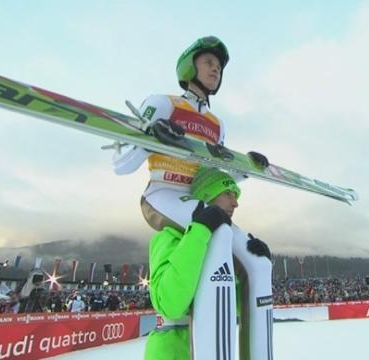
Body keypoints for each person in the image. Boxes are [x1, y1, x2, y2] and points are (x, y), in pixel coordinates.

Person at [114, 36, 273, 360]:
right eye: (208, 62)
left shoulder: (217, 125)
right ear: (190, 67)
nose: (215, 69)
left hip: (196, 197)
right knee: (217, 232)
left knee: (255, 261)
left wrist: (247, 168)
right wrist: (151, 136)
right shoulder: (163, 103)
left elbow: (216, 172)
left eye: (219, 66)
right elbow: (121, 161)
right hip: (162, 193)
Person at [145, 168, 271, 359]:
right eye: (228, 193)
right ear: (206, 194)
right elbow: (170, 304)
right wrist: (199, 232)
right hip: (173, 351)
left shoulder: (223, 245)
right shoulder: (168, 236)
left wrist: (259, 268)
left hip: (213, 345)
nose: (235, 203)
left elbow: (237, 306)